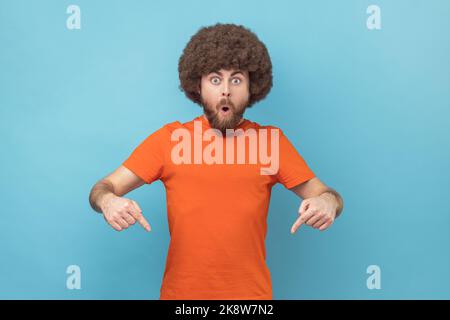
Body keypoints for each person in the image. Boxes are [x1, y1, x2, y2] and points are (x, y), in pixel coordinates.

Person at [89, 23, 344, 300]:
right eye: (214, 79)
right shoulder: (169, 140)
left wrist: (327, 202)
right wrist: (108, 202)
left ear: (251, 88)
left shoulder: (270, 143)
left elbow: (326, 194)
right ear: (197, 86)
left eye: (236, 80)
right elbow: (103, 187)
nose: (225, 91)